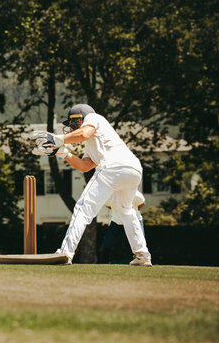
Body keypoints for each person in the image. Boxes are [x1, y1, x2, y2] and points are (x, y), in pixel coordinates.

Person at [31, 104, 152, 266]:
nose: (71, 127)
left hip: (113, 167)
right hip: (133, 169)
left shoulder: (93, 118)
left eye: (73, 122)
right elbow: (85, 165)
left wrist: (57, 139)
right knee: (126, 211)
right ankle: (143, 255)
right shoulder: (94, 141)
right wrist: (62, 152)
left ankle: (65, 253)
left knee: (82, 208)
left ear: (81, 117)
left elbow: (84, 133)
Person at [101, 191, 146, 264]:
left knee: (141, 243)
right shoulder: (110, 195)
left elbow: (142, 203)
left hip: (134, 221)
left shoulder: (135, 193)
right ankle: (103, 263)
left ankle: (142, 261)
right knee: (107, 243)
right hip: (117, 221)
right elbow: (108, 205)